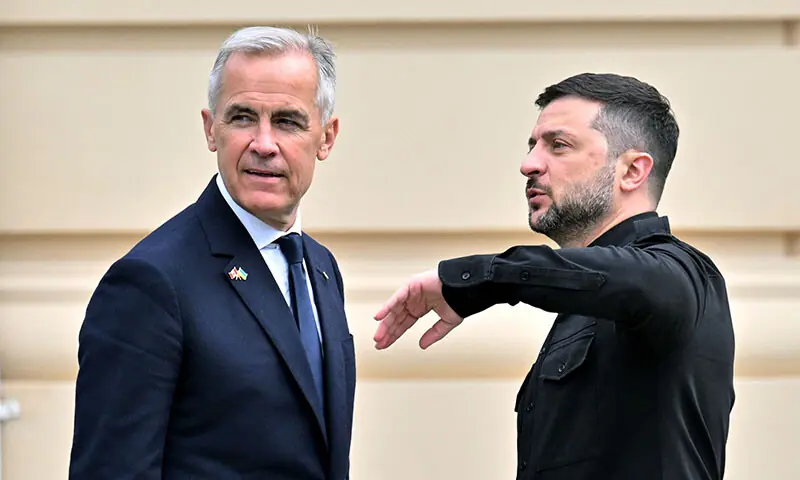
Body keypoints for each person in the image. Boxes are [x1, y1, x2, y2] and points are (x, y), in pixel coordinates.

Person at [373, 73, 735, 479]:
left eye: (558, 146)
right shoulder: (580, 302)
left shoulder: (682, 275)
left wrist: (481, 280)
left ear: (632, 171)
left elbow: (630, 281)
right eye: (533, 145)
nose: (529, 164)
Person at [69, 26, 356, 479]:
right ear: (210, 129)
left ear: (326, 137)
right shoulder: (150, 282)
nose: (263, 144)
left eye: (287, 121)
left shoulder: (320, 269)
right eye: (242, 117)